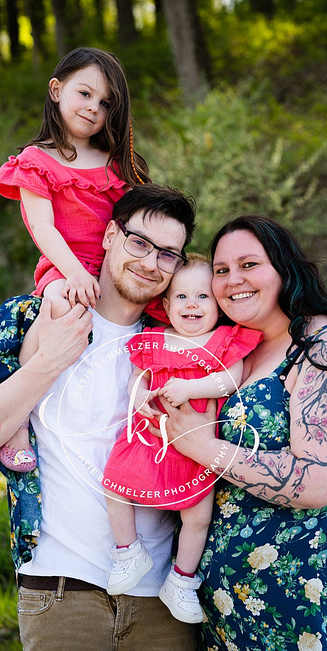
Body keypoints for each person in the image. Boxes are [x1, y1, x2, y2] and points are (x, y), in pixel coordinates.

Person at [0, 184, 199, 651]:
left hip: (162, 600)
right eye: (139, 242)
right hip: (60, 589)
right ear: (108, 235)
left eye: (168, 254)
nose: (151, 262)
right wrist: (48, 362)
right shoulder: (33, 317)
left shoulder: (177, 342)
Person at [160, 215, 327, 651]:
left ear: (284, 268)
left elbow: (317, 480)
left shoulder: (324, 345)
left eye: (250, 264)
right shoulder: (237, 349)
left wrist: (201, 447)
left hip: (308, 587)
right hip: (232, 603)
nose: (233, 281)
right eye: (222, 270)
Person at [0, 46, 149, 473]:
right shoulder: (37, 160)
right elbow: (43, 229)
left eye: (106, 103)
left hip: (115, 266)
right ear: (56, 90)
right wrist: (75, 273)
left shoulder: (115, 164)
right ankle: (16, 419)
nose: (94, 108)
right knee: (59, 302)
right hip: (65, 264)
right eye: (85, 94)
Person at [101, 254, 262, 623]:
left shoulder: (223, 341)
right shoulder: (154, 339)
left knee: (198, 515)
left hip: (197, 446)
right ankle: (128, 551)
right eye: (182, 297)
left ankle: (181, 579)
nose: (192, 304)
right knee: (113, 485)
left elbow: (229, 379)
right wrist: (139, 396)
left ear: (218, 305)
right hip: (149, 436)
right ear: (166, 304)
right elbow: (137, 377)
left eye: (203, 297)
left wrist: (192, 386)